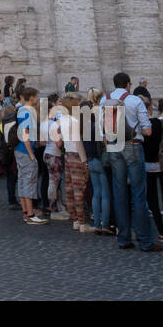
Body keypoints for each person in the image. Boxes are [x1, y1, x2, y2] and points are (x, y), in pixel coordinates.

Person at [105, 73, 160, 252]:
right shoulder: (135, 101)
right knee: (138, 193)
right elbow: (147, 131)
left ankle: (123, 238)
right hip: (133, 146)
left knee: (119, 192)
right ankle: (144, 240)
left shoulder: (104, 100)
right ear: (128, 85)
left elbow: (102, 130)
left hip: (114, 147)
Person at [145, 97, 163, 244]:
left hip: (148, 165)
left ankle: (160, 231)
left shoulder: (141, 127)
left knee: (153, 199)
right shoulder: (161, 123)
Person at [82, 91, 112, 234]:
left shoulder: (84, 128)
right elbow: (105, 144)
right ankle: (105, 224)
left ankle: (97, 223)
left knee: (96, 193)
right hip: (100, 161)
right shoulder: (97, 127)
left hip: (90, 160)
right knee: (105, 194)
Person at [15, 87, 46, 224]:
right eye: (37, 96)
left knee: (22, 180)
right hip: (25, 150)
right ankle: (31, 214)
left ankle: (26, 212)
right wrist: (31, 155)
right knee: (29, 181)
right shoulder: (27, 112)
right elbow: (25, 133)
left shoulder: (21, 110)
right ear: (32, 97)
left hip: (19, 150)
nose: (38, 99)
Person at [59, 93, 89, 232]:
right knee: (79, 190)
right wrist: (85, 161)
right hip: (76, 156)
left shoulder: (62, 120)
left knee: (70, 189)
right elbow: (78, 142)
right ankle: (82, 223)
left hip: (67, 154)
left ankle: (75, 220)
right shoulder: (74, 121)